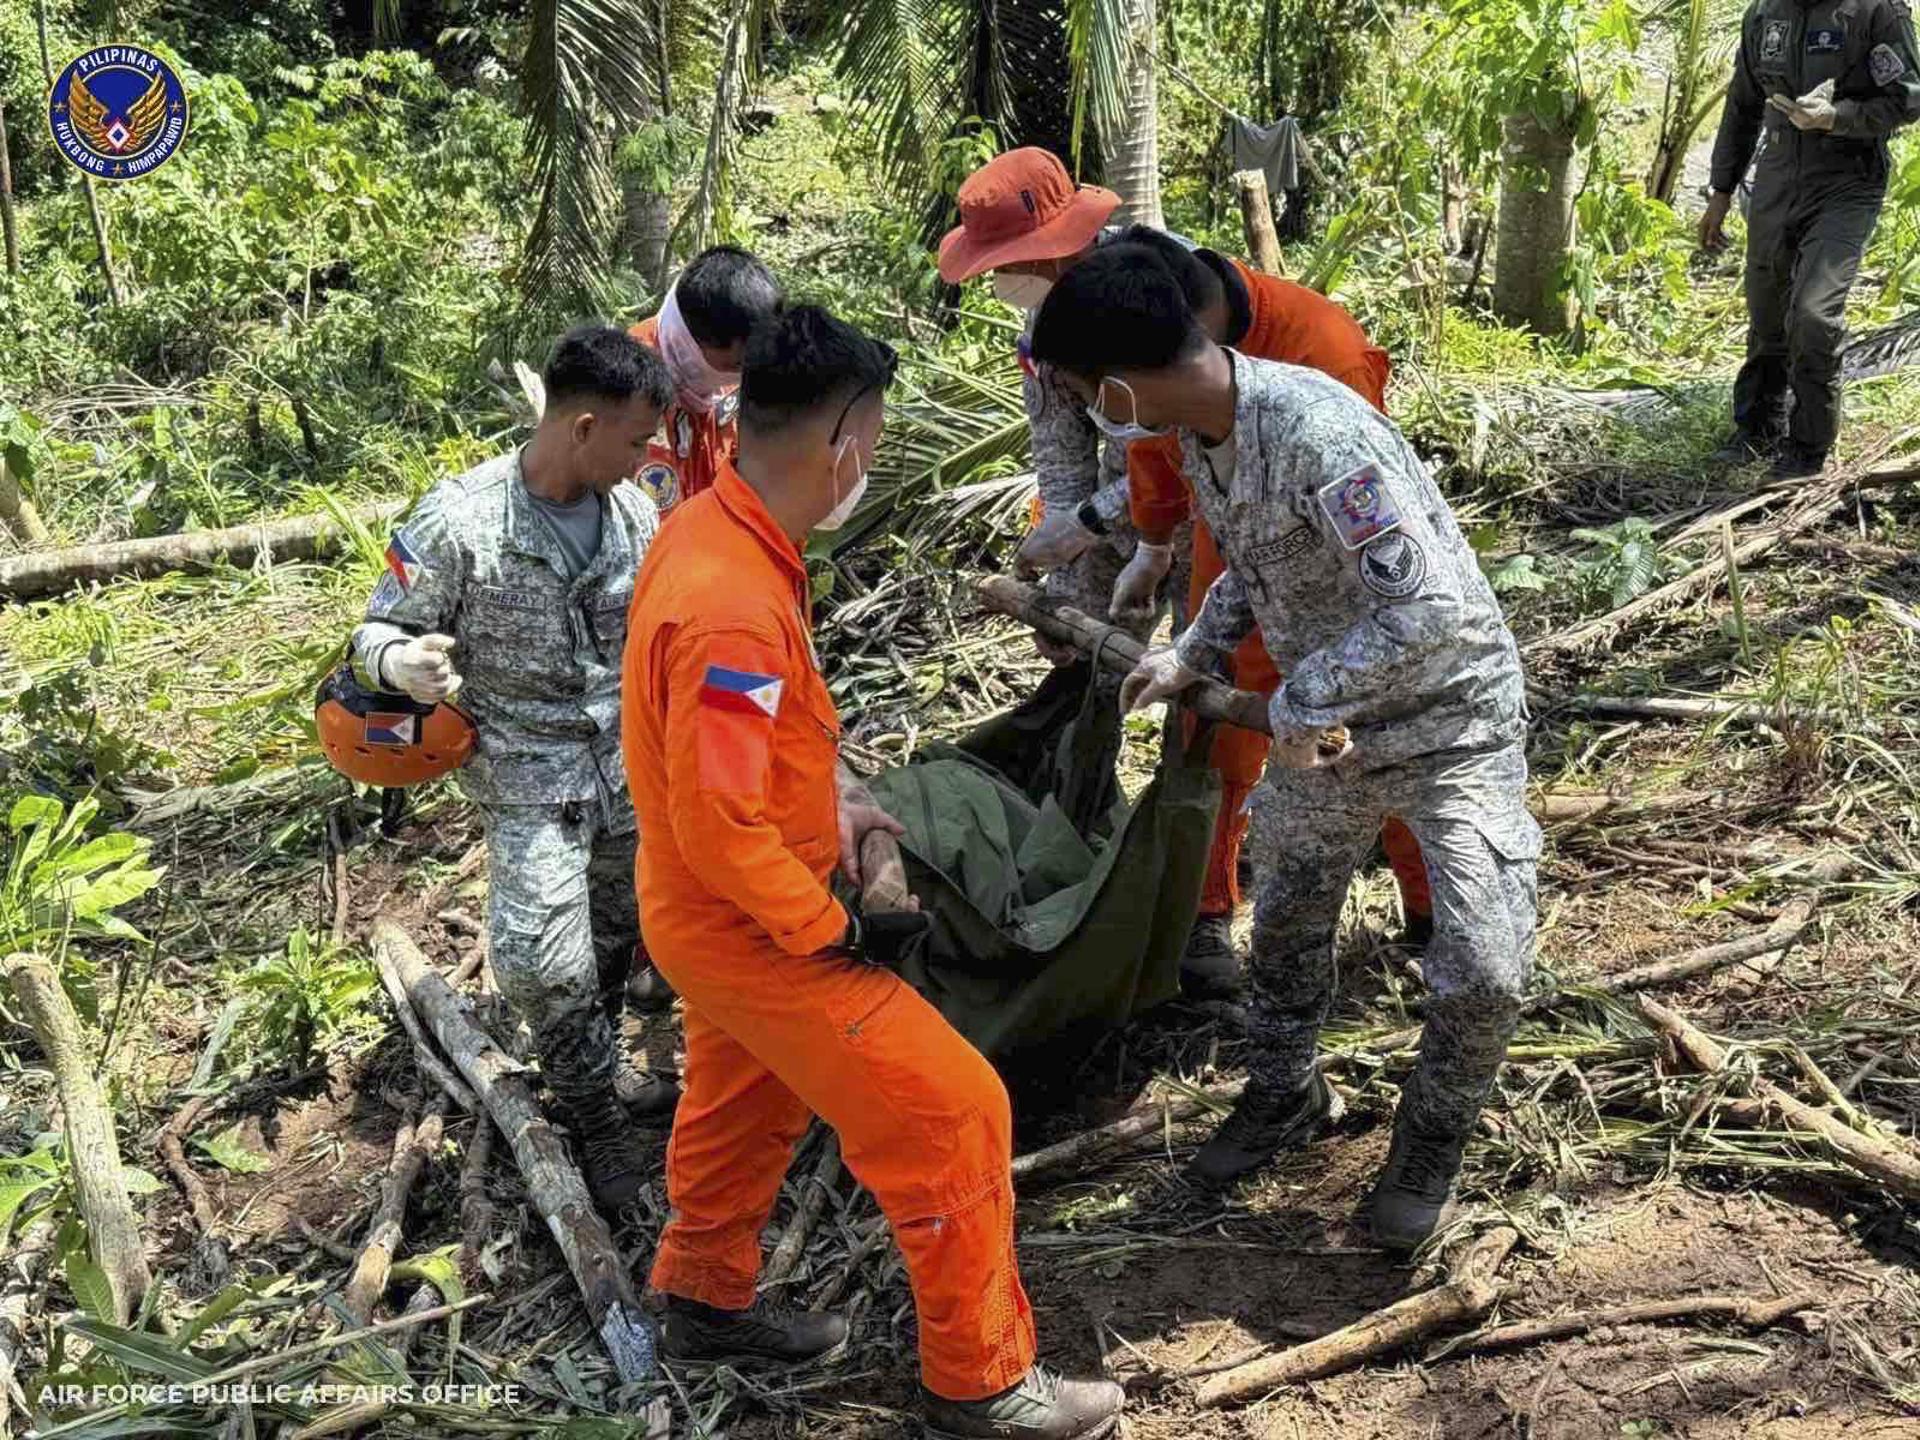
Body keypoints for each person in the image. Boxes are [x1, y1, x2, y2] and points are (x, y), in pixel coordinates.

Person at [623, 305, 1125, 1439]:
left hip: (709, 909)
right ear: (843, 439)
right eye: (881, 435)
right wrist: (831, 929)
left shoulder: (716, 534)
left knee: (744, 1102)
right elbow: (719, 821)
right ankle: (982, 1380)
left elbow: (742, 755)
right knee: (953, 1111)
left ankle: (702, 1297)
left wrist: (839, 799)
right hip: (748, 922)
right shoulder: (732, 606)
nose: (878, 457)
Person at [1030, 262, 1541, 1250]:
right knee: (1289, 925)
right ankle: (1283, 1096)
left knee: (1482, 966)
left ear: (1123, 386)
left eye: (1090, 395)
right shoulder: (1197, 433)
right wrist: (1194, 654)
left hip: (1447, 723)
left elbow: (1428, 609)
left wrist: (1294, 698)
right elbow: (1252, 567)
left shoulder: (1319, 433)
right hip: (1329, 732)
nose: (1099, 418)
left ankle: (1428, 1146)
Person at [351, 326, 678, 1212]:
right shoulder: (460, 519)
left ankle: (600, 1071)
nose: (648, 454)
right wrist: (402, 664)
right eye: (637, 437)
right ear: (581, 426)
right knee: (541, 959)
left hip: (627, 770)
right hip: (529, 776)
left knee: (616, 937)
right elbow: (375, 627)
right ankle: (597, 1128)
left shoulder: (636, 516)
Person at [1097, 232, 1434, 983]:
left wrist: (1309, 690)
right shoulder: (1174, 376)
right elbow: (1155, 448)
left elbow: (1401, 585)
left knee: (1394, 733)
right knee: (1210, 703)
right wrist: (1154, 546)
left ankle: (1431, 912)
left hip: (1354, 576)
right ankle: (1207, 903)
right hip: (1241, 556)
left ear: (1190, 344)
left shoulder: (1326, 357)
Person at [939, 147, 1234, 993]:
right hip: (1120, 509)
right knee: (1084, 672)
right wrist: (1065, 580)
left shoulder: (1158, 287)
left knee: (1202, 689)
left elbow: (1179, 436)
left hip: (1210, 507)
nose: (1008, 281)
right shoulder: (1040, 332)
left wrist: (1133, 532)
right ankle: (1081, 833)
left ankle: (1205, 905)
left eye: (1015, 264)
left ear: (1060, 241)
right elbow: (1063, 457)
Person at [1699, 0, 1920, 478]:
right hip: (1777, 175)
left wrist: (1837, 117)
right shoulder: (1764, 13)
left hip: (1847, 181)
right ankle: (1757, 425)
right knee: (1765, 305)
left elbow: (1908, 99)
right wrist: (1720, 190)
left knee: (1815, 314)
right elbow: (1742, 104)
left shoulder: (1877, 12)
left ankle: (1807, 448)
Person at [628, 245, 785, 513]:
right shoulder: (629, 389)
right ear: (693, 343)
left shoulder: (731, 366)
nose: (743, 374)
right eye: (736, 364)